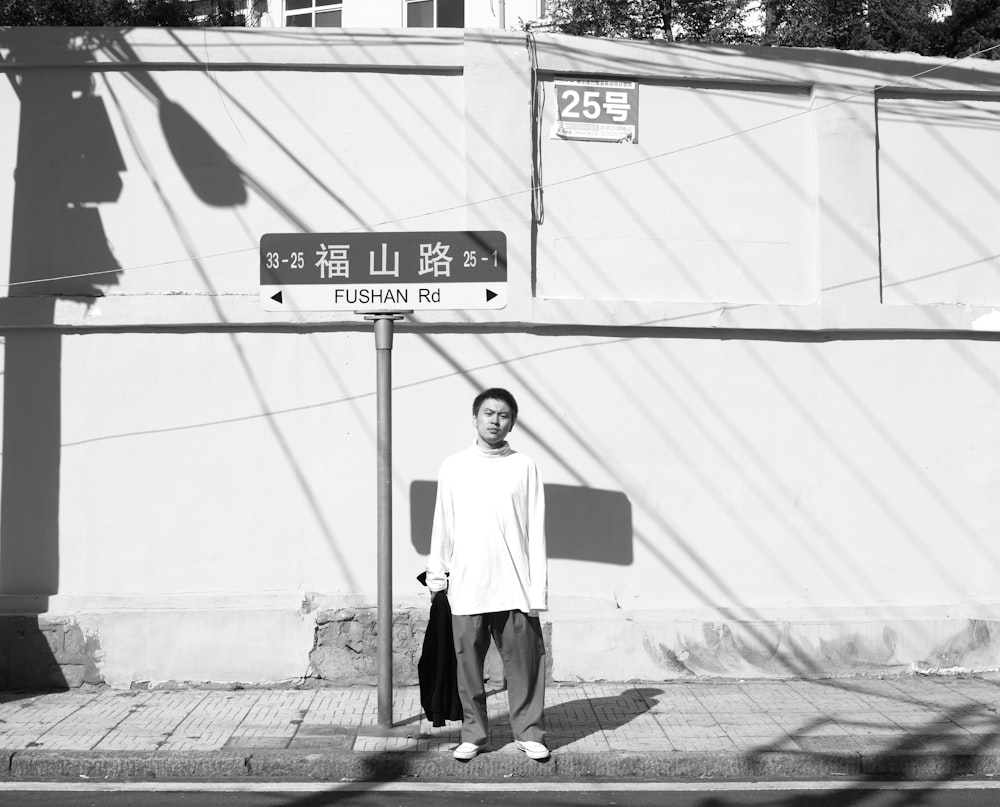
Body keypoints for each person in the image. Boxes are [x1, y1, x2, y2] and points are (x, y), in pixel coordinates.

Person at [425, 387, 549, 762]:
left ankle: (529, 732)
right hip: (467, 584)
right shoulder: (454, 466)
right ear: (475, 418)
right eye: (489, 413)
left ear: (512, 423)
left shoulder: (523, 466)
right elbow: (442, 524)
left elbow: (536, 530)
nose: (496, 421)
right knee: (469, 671)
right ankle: (474, 735)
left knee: (525, 666)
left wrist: (537, 590)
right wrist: (437, 577)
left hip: (514, 586)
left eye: (504, 415)